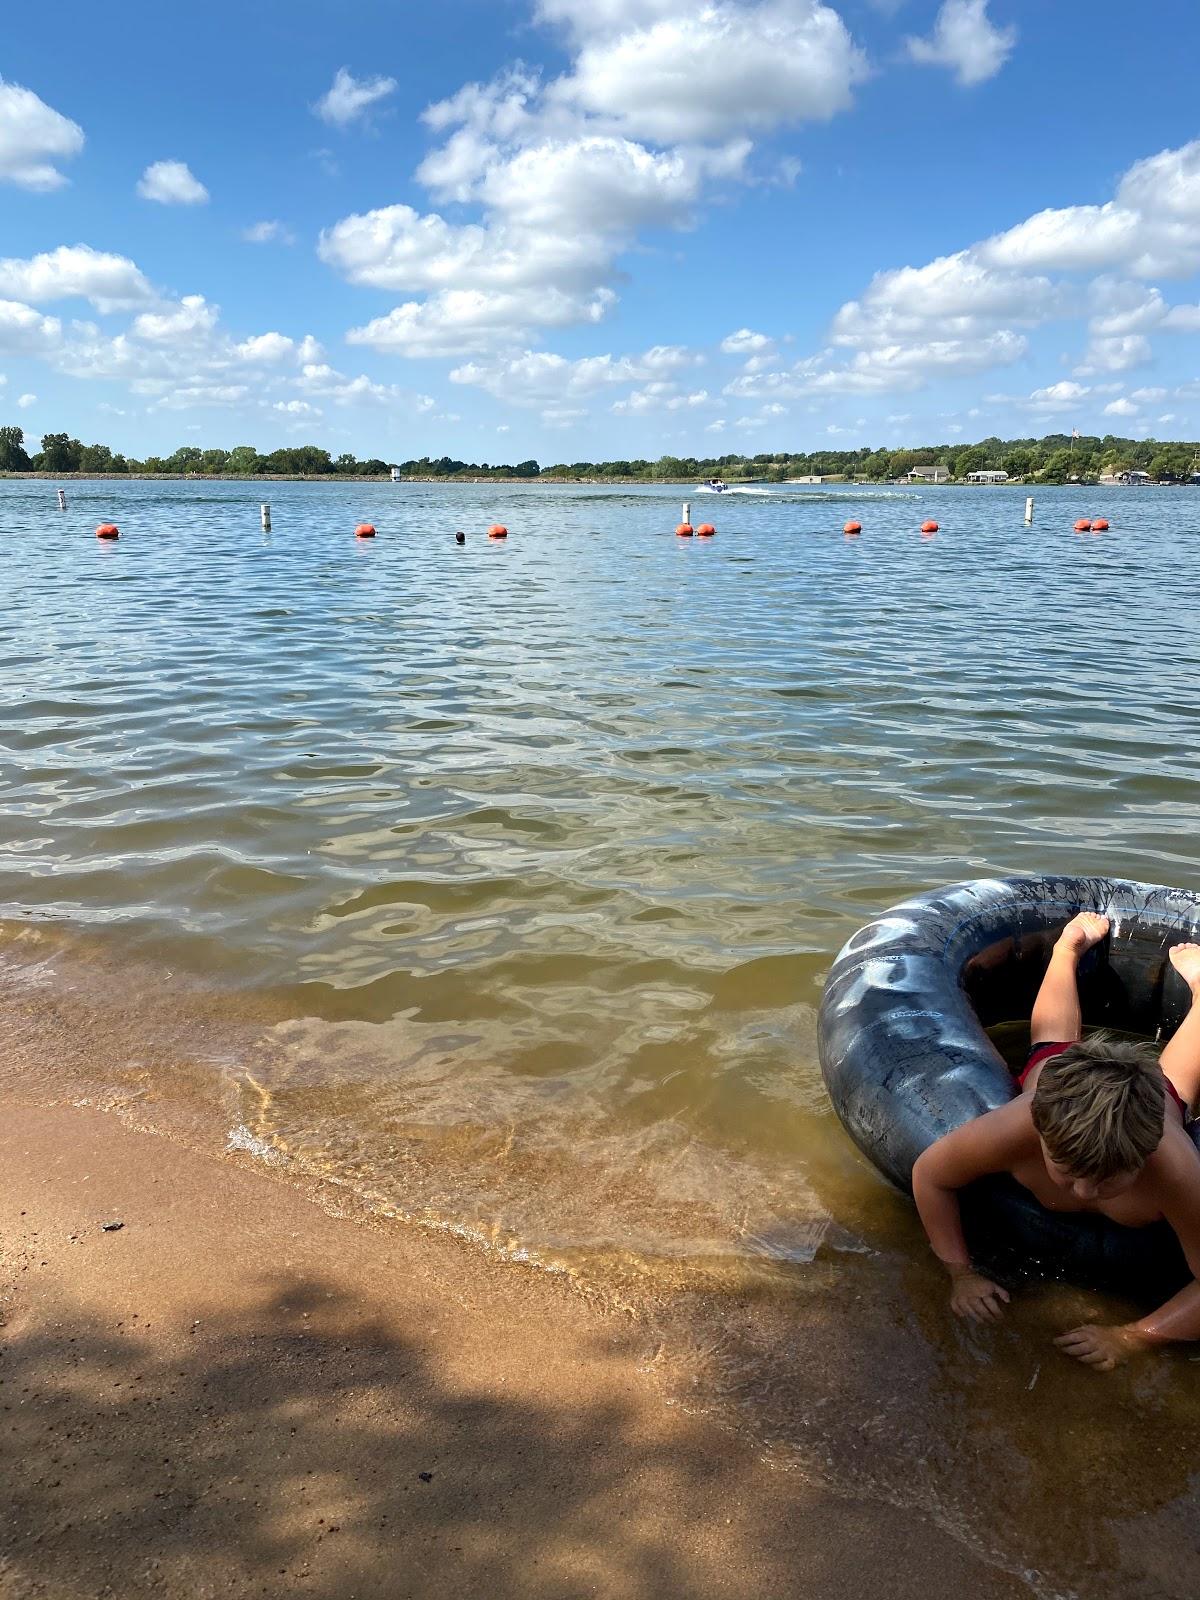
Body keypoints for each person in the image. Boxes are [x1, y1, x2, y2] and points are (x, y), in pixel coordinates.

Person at [912, 913, 1200, 1369]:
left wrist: (1134, 1336)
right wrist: (960, 1273)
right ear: (1041, 1137)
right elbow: (930, 1175)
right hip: (1056, 1082)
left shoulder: (1174, 1166)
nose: (1084, 1192)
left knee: (1174, 1084)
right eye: (1066, 1172)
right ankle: (1067, 949)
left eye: (1108, 1181)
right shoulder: (1021, 1126)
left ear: (1146, 1155)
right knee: (1050, 1046)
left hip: (1153, 1106)